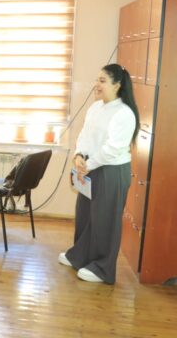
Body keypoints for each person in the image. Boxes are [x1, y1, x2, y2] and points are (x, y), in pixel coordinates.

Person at [59, 64, 139, 285]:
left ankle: (103, 268)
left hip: (111, 171)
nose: (97, 84)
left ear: (117, 84)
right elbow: (85, 135)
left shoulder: (124, 113)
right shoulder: (95, 107)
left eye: (102, 81)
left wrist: (88, 164)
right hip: (90, 167)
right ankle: (80, 256)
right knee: (85, 215)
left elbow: (113, 148)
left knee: (105, 220)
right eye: (97, 80)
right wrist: (79, 155)